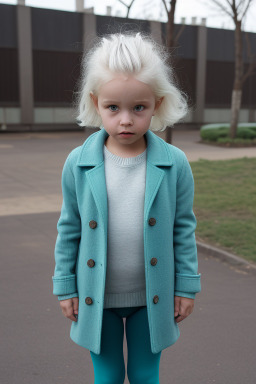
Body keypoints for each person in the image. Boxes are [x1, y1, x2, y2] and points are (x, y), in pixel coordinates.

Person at [52, 32, 201, 384]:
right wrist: (65, 286)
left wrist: (186, 287)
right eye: (113, 108)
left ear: (157, 104)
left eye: (139, 108)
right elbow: (68, 226)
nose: (126, 120)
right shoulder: (78, 162)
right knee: (107, 376)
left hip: (153, 295)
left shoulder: (174, 162)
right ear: (96, 102)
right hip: (94, 295)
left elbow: (183, 226)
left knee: (146, 374)